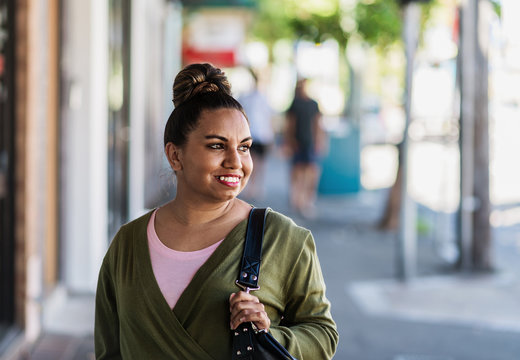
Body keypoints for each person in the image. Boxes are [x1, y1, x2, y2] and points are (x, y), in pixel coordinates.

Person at [94, 63, 338, 359]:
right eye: (217, 146)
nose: (236, 161)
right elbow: (109, 350)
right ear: (175, 155)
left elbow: (323, 335)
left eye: (245, 147)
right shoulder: (127, 245)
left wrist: (268, 335)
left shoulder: (283, 239)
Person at [284, 78, 326, 218]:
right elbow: (290, 124)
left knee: (311, 172)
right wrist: (289, 141)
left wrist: (320, 141)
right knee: (298, 171)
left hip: (310, 143)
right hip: (298, 142)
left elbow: (318, 123)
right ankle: (297, 198)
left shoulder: (313, 104)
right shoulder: (295, 104)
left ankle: (306, 200)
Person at [237, 68, 275, 201]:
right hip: (252, 134)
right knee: (251, 161)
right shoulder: (247, 97)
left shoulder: (263, 98)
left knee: (260, 163)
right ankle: (251, 187)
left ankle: (256, 187)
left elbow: (268, 118)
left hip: (261, 134)